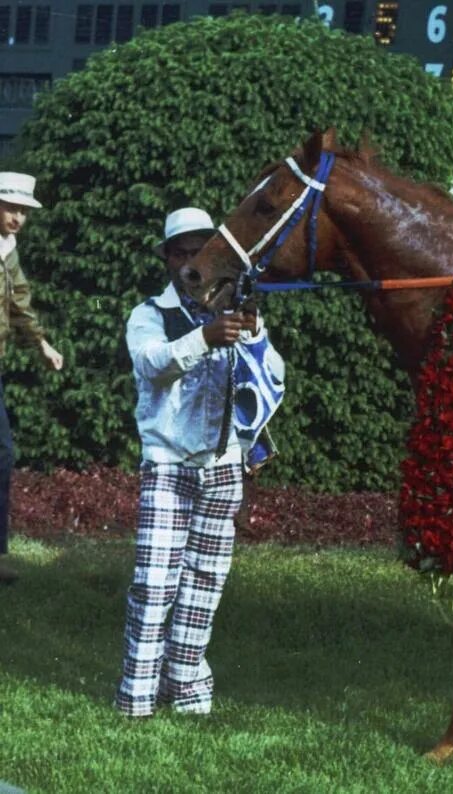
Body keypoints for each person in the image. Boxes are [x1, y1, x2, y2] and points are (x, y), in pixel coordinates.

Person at [116, 207, 284, 717]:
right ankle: (138, 698)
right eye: (182, 252)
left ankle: (187, 690)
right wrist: (204, 339)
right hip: (167, 464)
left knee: (204, 584)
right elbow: (151, 364)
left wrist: (254, 338)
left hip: (224, 465)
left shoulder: (233, 313)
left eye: (200, 250)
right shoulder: (150, 313)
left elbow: (274, 378)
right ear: (168, 258)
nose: (192, 261)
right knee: (154, 584)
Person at [0, 172, 64, 585]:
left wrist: (41, 344)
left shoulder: (8, 248)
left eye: (24, 211)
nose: (18, 218)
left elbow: (19, 302)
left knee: (2, 454)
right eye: (11, 208)